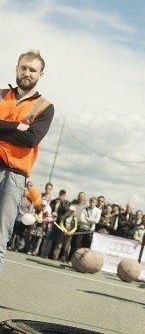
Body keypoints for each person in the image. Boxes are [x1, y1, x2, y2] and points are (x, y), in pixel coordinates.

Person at [0, 51, 54, 275]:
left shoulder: (45, 107)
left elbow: (31, 139)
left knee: (0, 238)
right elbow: (22, 134)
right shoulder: (1, 94)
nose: (27, 73)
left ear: (41, 73)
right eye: (23, 67)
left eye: (32, 69)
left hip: (14, 176)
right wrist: (14, 127)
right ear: (16, 68)